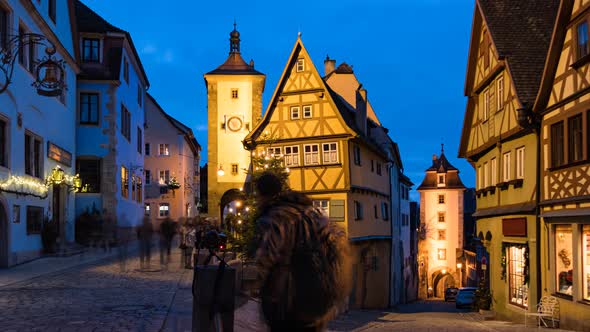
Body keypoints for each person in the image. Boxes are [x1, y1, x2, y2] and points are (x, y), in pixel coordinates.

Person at [254, 172, 351, 332]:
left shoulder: (274, 217)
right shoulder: (313, 214)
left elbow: (265, 258)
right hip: (319, 296)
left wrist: (254, 286)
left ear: (262, 194)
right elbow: (340, 240)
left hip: (287, 300)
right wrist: (337, 286)